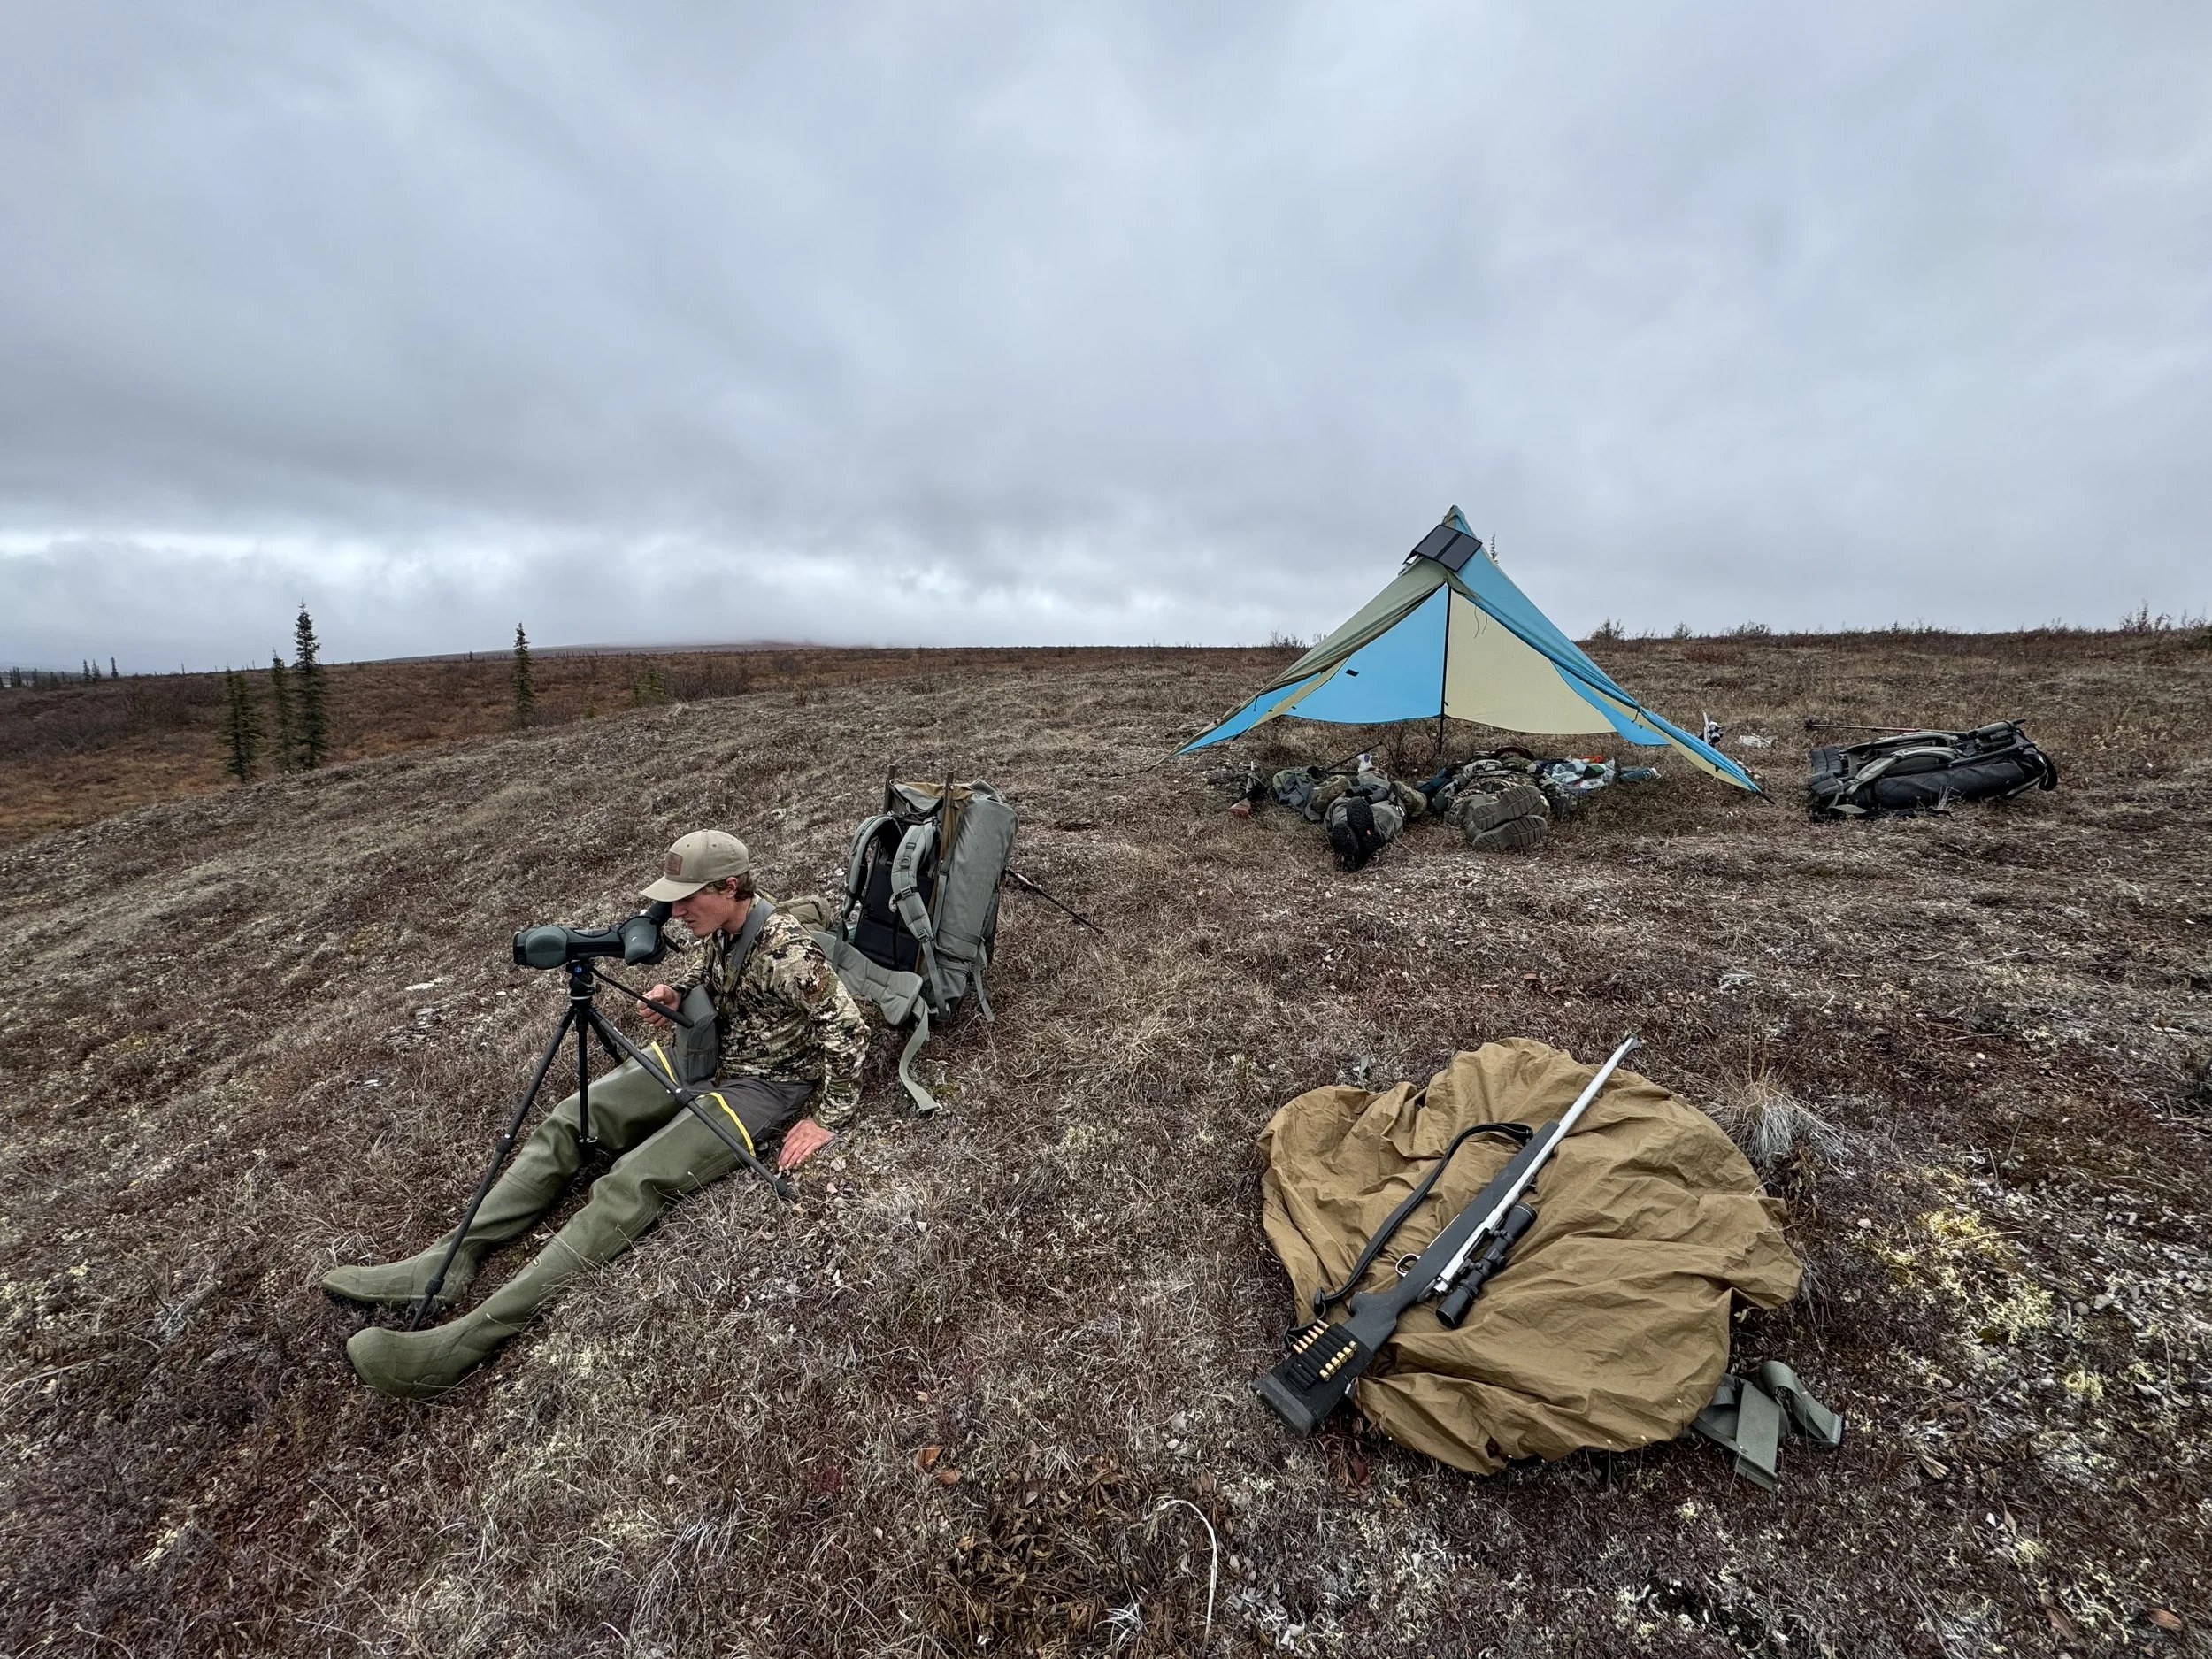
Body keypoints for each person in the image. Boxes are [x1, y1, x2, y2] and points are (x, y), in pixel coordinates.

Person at [323, 829, 869, 1400]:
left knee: (632, 1179)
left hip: (761, 1084)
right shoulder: (724, 926)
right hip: (702, 1052)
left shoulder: (788, 952)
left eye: (687, 898)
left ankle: (460, 1343)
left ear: (730, 887)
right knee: (571, 1118)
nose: (676, 912)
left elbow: (848, 1029)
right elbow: (714, 976)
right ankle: (448, 1260)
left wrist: (827, 1116)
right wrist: (677, 992)